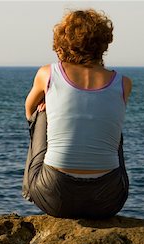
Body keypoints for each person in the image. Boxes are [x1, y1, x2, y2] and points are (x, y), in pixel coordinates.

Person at [22, 9, 132, 219]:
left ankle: (30, 189)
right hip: (108, 200)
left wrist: (46, 105)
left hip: (54, 196)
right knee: (108, 126)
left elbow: (29, 113)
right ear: (103, 43)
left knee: (41, 111)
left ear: (63, 42)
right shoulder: (123, 83)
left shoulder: (48, 73)